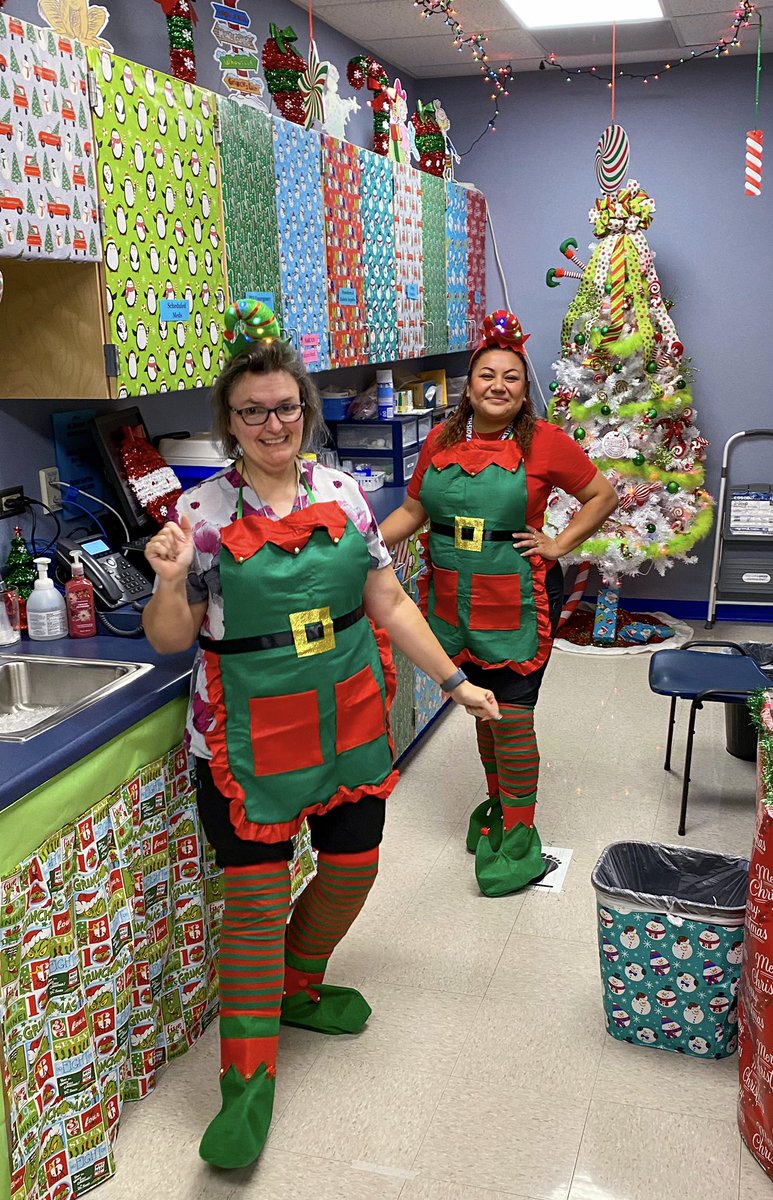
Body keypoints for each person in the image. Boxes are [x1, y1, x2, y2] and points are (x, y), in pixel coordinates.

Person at [142, 328, 499, 1171]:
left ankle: (298, 984)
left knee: (353, 869)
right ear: (229, 422)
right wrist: (165, 580)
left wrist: (453, 681)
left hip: (345, 719)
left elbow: (388, 601)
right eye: (252, 412)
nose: (274, 424)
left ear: (306, 409)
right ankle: (247, 1083)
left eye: (286, 407)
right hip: (244, 740)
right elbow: (169, 640)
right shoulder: (199, 517)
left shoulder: (344, 494)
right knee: (257, 907)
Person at [380, 310, 618, 898]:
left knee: (512, 718)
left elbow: (602, 494)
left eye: (511, 377)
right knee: (481, 709)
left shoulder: (546, 443)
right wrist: (359, 548)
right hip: (453, 604)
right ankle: (497, 805)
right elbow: (413, 512)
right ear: (469, 384)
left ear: (522, 387)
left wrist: (559, 543)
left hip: (517, 601)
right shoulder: (441, 439)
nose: (498, 386)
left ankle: (520, 834)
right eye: (487, 374)